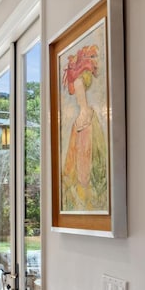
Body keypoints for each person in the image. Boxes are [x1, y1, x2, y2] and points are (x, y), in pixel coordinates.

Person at [60, 44, 108, 212]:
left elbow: (100, 155)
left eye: (81, 87)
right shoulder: (75, 124)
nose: (79, 92)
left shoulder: (93, 118)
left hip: (92, 187)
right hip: (78, 188)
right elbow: (69, 160)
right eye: (76, 88)